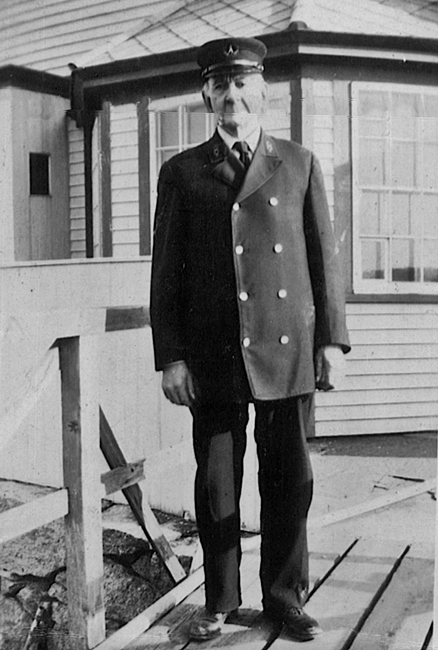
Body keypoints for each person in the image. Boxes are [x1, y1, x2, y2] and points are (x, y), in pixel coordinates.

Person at [150, 36, 350, 642]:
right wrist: (171, 357)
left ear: (262, 90)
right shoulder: (182, 172)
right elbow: (165, 273)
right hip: (213, 355)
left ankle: (284, 599)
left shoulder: (299, 162)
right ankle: (220, 601)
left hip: (287, 348)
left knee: (289, 479)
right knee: (216, 486)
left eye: (242, 83)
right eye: (220, 85)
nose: (231, 95)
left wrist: (331, 342)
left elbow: (324, 260)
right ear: (206, 94)